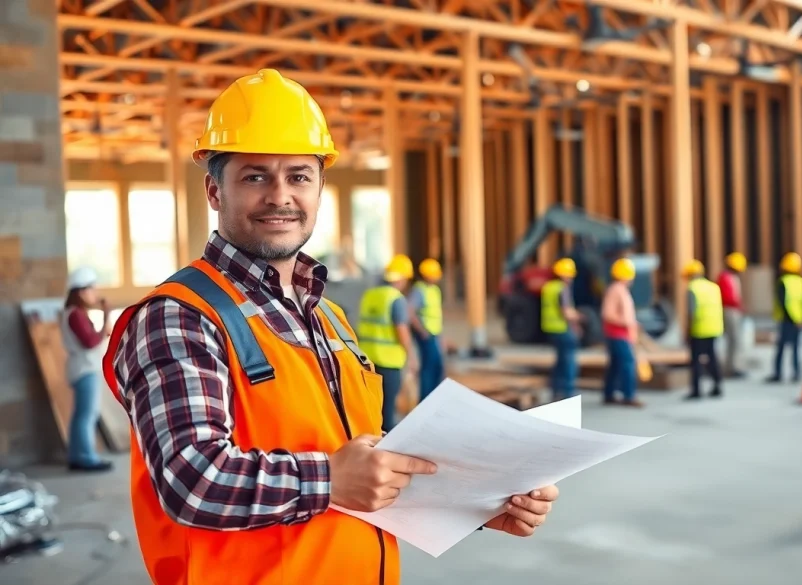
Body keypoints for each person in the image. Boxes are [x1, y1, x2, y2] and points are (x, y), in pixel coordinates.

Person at [102, 69, 557, 585]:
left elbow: (364, 464)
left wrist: (475, 503)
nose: (280, 196)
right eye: (255, 176)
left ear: (319, 188)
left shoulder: (327, 316)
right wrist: (328, 480)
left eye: (298, 176)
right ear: (213, 190)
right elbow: (192, 479)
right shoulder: (179, 316)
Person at [59, 266, 113, 472]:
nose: (95, 293)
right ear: (81, 291)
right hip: (84, 370)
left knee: (81, 415)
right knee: (87, 415)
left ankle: (77, 456)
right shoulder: (75, 315)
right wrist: (106, 316)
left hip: (81, 368)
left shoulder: (75, 313)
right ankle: (87, 458)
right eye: (92, 289)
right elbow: (90, 341)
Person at [359, 254, 419, 432]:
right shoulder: (395, 299)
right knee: (388, 413)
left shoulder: (370, 295)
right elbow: (402, 331)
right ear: (402, 278)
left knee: (373, 409)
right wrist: (412, 356)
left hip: (366, 360)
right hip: (389, 362)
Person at [600, 257, 642, 407]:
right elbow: (608, 314)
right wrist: (627, 323)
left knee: (616, 364)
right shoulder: (616, 290)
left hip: (621, 333)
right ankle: (629, 396)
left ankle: (609, 393)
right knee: (627, 363)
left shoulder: (619, 289)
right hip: (617, 334)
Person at [682, 260, 724, 400]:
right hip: (714, 327)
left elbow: (691, 312)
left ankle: (696, 390)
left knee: (696, 361)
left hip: (699, 329)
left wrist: (688, 331)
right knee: (712, 358)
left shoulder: (692, 288)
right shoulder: (713, 287)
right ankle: (717, 385)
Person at [541, 257, 581, 400]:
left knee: (559, 360)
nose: (571, 277)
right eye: (569, 274)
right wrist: (580, 317)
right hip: (563, 328)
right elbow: (566, 312)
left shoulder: (549, 287)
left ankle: (556, 390)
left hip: (551, 328)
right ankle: (568, 391)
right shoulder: (562, 289)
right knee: (569, 361)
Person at [766, 252, 802, 383]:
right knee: (795, 348)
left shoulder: (782, 282)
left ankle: (778, 373)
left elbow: (783, 302)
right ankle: (796, 373)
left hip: (786, 320)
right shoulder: (801, 282)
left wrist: (792, 318)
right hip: (798, 320)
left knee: (781, 348)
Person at [407, 258, 446, 400]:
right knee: (428, 369)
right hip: (426, 336)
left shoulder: (435, 290)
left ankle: (435, 398)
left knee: (437, 367)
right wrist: (422, 330)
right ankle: (426, 399)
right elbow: (410, 312)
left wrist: (441, 338)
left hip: (435, 334)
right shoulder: (419, 291)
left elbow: (437, 315)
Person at [717, 252, 747, 378]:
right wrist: (738, 305)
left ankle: (733, 366)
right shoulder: (725, 277)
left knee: (735, 340)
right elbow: (728, 297)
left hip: (733, 310)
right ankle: (732, 367)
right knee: (734, 340)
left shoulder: (730, 277)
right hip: (730, 310)